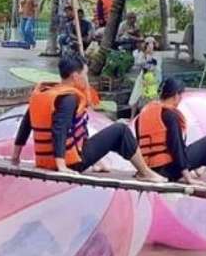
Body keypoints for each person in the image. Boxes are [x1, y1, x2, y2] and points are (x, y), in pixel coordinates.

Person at [10, 52, 164, 181]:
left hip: (45, 161)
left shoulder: (44, 94)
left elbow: (25, 125)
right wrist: (61, 166)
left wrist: (15, 157)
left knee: (111, 137)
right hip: (69, 163)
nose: (87, 78)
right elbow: (60, 129)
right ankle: (145, 172)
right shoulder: (69, 98)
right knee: (121, 130)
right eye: (85, 74)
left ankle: (100, 163)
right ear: (76, 76)